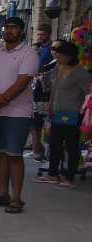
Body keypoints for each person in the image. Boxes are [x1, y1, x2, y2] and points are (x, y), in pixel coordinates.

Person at [0, 16, 38, 214]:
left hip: (18, 113)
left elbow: (22, 83)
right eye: (7, 28)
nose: (9, 31)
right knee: (0, 154)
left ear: (22, 31)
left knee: (14, 155)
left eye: (14, 28)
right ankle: (2, 194)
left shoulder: (29, 53)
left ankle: (17, 198)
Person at [35, 40, 91, 188]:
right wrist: (51, 106)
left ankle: (69, 177)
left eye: (60, 54)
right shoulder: (58, 68)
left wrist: (83, 111)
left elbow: (88, 94)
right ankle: (53, 174)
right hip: (58, 113)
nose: (57, 56)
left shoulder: (80, 73)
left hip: (74, 115)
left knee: (72, 146)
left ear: (69, 55)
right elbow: (54, 89)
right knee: (54, 144)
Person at [29, 23, 54, 162]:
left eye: (42, 34)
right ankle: (36, 150)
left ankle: (42, 151)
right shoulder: (40, 49)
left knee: (43, 122)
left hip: (46, 90)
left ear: (48, 34)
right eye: (38, 34)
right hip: (36, 88)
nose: (39, 36)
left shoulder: (51, 49)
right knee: (35, 122)